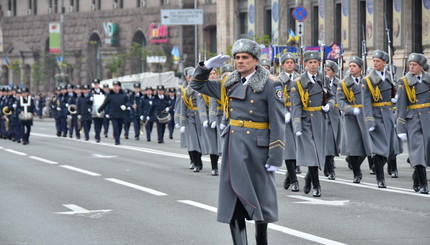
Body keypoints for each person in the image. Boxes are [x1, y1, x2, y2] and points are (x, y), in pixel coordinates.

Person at [191, 38, 285, 245]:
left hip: (258, 149)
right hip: (234, 145)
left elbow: (278, 123)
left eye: (245, 58)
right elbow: (196, 84)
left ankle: (262, 240)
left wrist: (276, 155)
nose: (240, 61)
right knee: (233, 199)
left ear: (255, 60)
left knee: (261, 200)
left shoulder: (271, 83)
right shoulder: (228, 83)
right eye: (237, 58)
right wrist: (206, 67)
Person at [291, 50, 335, 197]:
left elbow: (331, 95)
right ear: (305, 65)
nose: (313, 65)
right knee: (311, 153)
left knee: (318, 153)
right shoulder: (298, 82)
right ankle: (317, 186)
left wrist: (330, 104)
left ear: (319, 64)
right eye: (310, 63)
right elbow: (296, 105)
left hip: (320, 119)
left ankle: (309, 178)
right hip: (305, 120)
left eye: (315, 62)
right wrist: (296, 124)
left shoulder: (324, 79)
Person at [362, 50, 401, 188]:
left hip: (388, 116)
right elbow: (366, 101)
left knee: (389, 148)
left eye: (378, 61)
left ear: (385, 63)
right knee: (379, 149)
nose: (375, 63)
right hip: (376, 116)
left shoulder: (389, 76)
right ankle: (380, 178)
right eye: (374, 61)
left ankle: (386, 170)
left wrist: (394, 99)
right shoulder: (368, 80)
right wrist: (369, 119)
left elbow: (391, 93)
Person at [396, 53, 429, 194]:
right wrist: (401, 127)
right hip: (413, 120)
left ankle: (416, 177)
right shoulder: (404, 82)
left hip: (427, 118)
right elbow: (401, 106)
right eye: (410, 64)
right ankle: (423, 184)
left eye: (414, 64)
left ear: (421, 67)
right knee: (418, 151)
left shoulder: (428, 80)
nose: (411, 67)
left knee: (426, 152)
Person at [337, 56, 372, 183]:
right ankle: (357, 173)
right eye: (350, 66)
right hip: (351, 117)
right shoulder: (343, 83)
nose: (351, 68)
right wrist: (350, 109)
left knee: (367, 145)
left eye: (354, 66)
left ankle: (356, 164)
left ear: (360, 69)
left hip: (365, 115)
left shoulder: (367, 81)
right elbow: (340, 101)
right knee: (353, 146)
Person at [278, 52, 300, 192]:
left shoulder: (301, 79)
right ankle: (294, 180)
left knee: (300, 149)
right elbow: (276, 99)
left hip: (299, 115)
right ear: (282, 65)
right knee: (289, 150)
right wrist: (283, 112)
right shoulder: (277, 80)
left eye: (292, 62)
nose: (290, 64)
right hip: (285, 116)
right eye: (287, 62)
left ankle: (289, 175)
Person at [198, 69, 221, 176]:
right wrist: (205, 120)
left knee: (224, 145)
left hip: (221, 117)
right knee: (213, 145)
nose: (212, 76)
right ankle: (214, 167)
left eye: (214, 74)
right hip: (209, 118)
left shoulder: (221, 85)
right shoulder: (203, 89)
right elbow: (201, 105)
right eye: (210, 74)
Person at [180, 68, 204, 172]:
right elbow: (183, 107)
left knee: (201, 141)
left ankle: (198, 161)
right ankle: (196, 162)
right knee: (193, 141)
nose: (192, 79)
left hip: (200, 117)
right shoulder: (186, 91)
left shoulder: (202, 89)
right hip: (190, 117)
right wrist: (182, 123)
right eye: (190, 77)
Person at [324, 60, 342, 180]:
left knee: (334, 143)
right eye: (325, 69)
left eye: (329, 70)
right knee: (327, 143)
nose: (326, 72)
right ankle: (330, 169)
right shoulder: (321, 82)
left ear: (334, 72)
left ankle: (328, 163)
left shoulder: (339, 83)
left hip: (335, 115)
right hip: (324, 115)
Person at [98, 81, 128, 145]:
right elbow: (105, 103)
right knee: (115, 127)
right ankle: (117, 140)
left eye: (116, 86)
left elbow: (128, 102)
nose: (115, 87)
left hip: (121, 113)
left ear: (119, 87)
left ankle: (118, 137)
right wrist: (100, 109)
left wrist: (125, 106)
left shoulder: (123, 94)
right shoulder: (110, 95)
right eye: (114, 86)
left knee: (120, 127)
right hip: (113, 114)